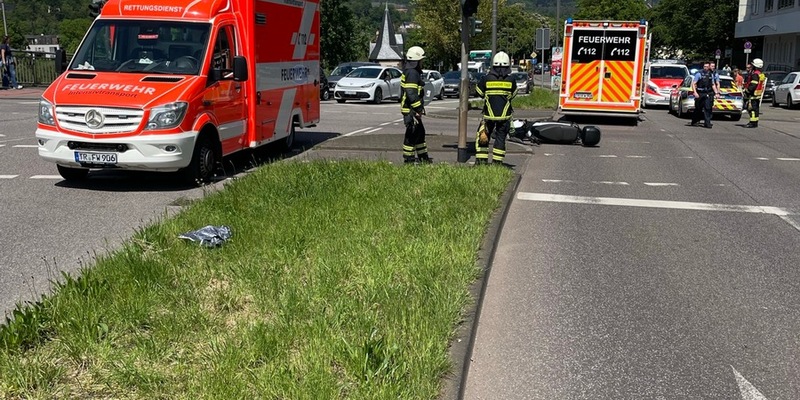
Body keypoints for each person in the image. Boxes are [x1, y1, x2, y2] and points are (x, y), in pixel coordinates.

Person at [475, 51, 517, 165]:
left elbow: (479, 92)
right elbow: (513, 94)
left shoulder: (486, 79)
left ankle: (481, 161)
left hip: (489, 115)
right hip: (504, 116)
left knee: (483, 135)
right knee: (500, 138)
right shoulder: (511, 80)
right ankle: (497, 163)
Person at [399, 45, 431, 164]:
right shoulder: (412, 73)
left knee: (419, 133)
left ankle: (423, 158)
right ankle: (409, 160)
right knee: (411, 135)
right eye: (421, 60)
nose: (422, 62)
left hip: (411, 109)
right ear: (417, 61)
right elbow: (411, 93)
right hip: (411, 110)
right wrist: (418, 108)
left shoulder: (410, 71)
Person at [689, 61, 718, 129]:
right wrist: (695, 92)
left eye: (707, 67)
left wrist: (716, 93)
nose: (706, 68)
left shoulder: (711, 74)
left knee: (707, 108)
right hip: (700, 93)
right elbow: (694, 83)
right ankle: (695, 121)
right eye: (705, 66)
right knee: (698, 108)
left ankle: (707, 123)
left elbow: (713, 84)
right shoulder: (699, 74)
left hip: (707, 93)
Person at [743, 58, 766, 128]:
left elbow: (753, 85)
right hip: (757, 94)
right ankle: (754, 122)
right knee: (755, 109)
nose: (751, 66)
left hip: (753, 94)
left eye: (752, 65)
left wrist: (747, 91)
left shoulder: (755, 74)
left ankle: (752, 123)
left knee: (752, 109)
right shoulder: (760, 74)